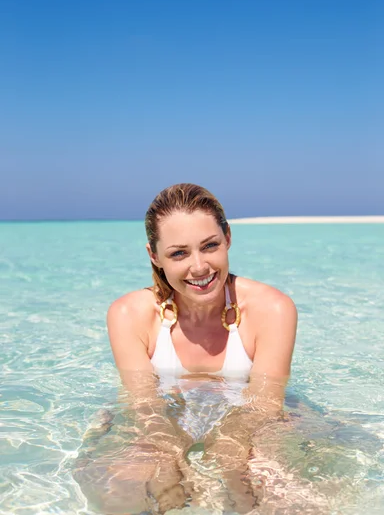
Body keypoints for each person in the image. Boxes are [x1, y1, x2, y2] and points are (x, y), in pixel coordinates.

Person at [77, 183, 298, 514]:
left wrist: (228, 446)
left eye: (209, 246)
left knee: (283, 494)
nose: (199, 268)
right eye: (179, 253)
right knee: (118, 486)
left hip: (251, 419)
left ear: (228, 238)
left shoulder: (272, 308)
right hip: (163, 417)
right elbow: (143, 404)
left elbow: (265, 404)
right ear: (154, 256)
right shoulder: (129, 314)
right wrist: (167, 450)